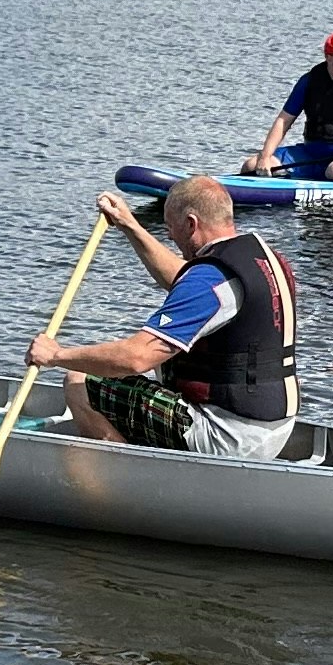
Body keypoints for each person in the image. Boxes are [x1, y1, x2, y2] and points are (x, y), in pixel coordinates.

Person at [28, 177, 303, 458]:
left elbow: (136, 358)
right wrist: (130, 226)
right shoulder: (262, 259)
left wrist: (56, 356)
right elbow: (183, 278)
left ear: (191, 224)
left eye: (170, 228)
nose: (169, 236)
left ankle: (117, 478)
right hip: (274, 429)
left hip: (225, 437)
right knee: (121, 365)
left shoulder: (208, 281)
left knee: (80, 380)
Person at [242, 30, 333, 211]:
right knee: (251, 164)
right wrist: (265, 157)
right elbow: (284, 120)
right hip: (310, 156)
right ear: (329, 57)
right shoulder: (310, 81)